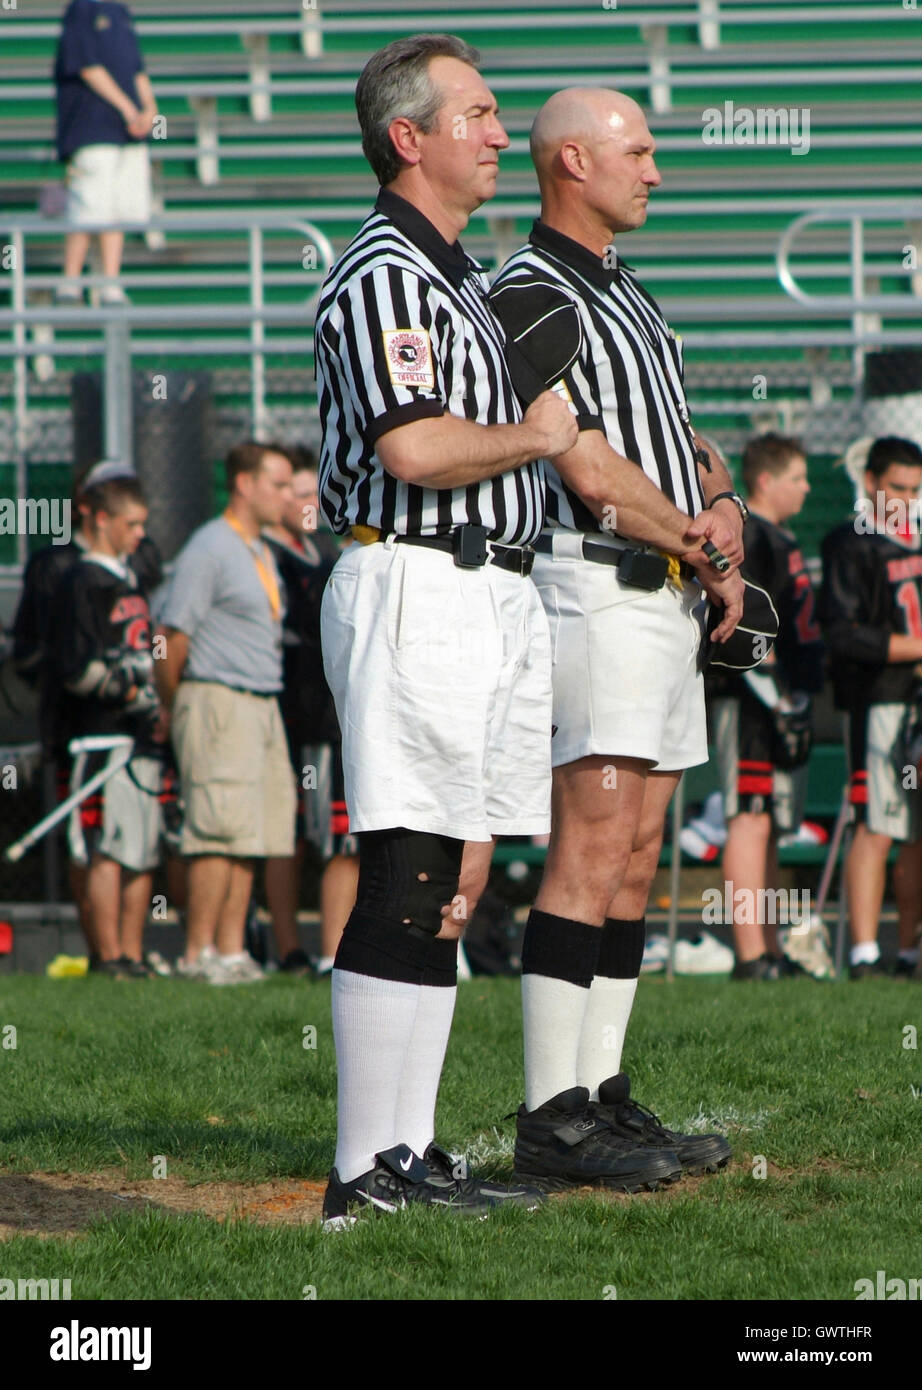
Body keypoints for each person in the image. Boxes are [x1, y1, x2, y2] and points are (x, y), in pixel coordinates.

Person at [313, 33, 580, 1224]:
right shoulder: (382, 271)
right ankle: (361, 1168)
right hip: (417, 579)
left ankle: (408, 1152)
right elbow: (412, 448)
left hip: (489, 586)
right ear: (405, 137)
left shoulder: (464, 277)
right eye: (473, 111)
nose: (494, 130)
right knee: (410, 861)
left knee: (457, 872)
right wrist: (539, 437)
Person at [489, 88, 744, 1187]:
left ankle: (600, 1094)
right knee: (590, 843)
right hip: (592, 582)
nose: (655, 170)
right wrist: (697, 537)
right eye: (637, 152)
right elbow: (582, 466)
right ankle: (550, 1114)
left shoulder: (629, 288)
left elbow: (679, 432)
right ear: (572, 161)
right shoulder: (525, 287)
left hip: (662, 584)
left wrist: (722, 506)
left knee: (638, 852)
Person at [154, 441, 297, 987]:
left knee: (251, 829)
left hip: (261, 701)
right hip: (216, 698)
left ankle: (231, 950)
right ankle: (196, 954)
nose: (287, 497)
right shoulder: (208, 547)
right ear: (244, 483)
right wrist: (177, 704)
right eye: (278, 485)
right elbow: (168, 638)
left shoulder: (259, 548)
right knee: (215, 829)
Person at [11, 459, 162, 968]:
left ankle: (135, 955)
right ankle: (109, 956)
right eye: (131, 525)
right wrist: (129, 692)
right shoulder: (79, 579)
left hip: (137, 736)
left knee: (141, 848)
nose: (141, 535)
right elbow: (76, 667)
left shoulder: (131, 576)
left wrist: (151, 700)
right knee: (105, 847)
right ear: (99, 518)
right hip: (97, 737)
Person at [710, 434, 825, 980]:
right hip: (752, 696)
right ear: (765, 480)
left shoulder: (783, 539)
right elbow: (746, 626)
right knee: (749, 819)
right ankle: (750, 953)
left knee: (771, 825)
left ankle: (771, 950)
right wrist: (777, 697)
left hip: (779, 699)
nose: (806, 487)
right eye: (797, 477)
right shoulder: (752, 538)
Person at [819, 435, 922, 980]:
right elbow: (845, 634)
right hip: (879, 698)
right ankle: (863, 953)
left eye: (914, 489)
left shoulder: (918, 539)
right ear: (871, 483)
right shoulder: (851, 542)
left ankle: (907, 951)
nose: (906, 499)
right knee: (878, 823)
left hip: (917, 702)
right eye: (897, 488)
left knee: (914, 831)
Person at [262, 452, 358, 977]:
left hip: (343, 723)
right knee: (336, 841)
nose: (303, 503)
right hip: (319, 725)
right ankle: (322, 953)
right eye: (291, 491)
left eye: (306, 492)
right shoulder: (316, 567)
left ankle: (340, 952)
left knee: (352, 840)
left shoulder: (316, 555)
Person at [54, 0, 157, 304]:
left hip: (127, 134)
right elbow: (87, 67)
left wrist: (150, 109)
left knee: (117, 209)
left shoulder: (121, 12)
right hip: (93, 128)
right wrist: (129, 109)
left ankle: (109, 282)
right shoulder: (81, 10)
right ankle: (71, 282)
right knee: (89, 205)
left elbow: (137, 69)